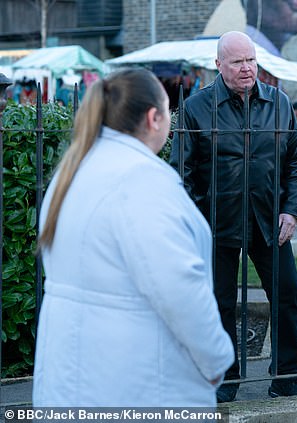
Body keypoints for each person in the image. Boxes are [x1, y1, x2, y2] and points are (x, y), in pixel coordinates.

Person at [34, 68, 233, 406]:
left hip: (74, 378)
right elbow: (178, 288)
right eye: (168, 111)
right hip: (135, 381)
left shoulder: (75, 171)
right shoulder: (141, 181)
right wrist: (216, 360)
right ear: (154, 118)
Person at [170, 31, 297, 403]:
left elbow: (296, 160)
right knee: (219, 301)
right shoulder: (196, 108)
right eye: (237, 62)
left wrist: (292, 210)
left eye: (250, 60)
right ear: (218, 65)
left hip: (269, 220)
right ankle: (225, 377)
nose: (247, 69)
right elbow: (180, 171)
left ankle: (285, 374)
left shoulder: (279, 103)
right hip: (216, 223)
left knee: (287, 292)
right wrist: (198, 219)